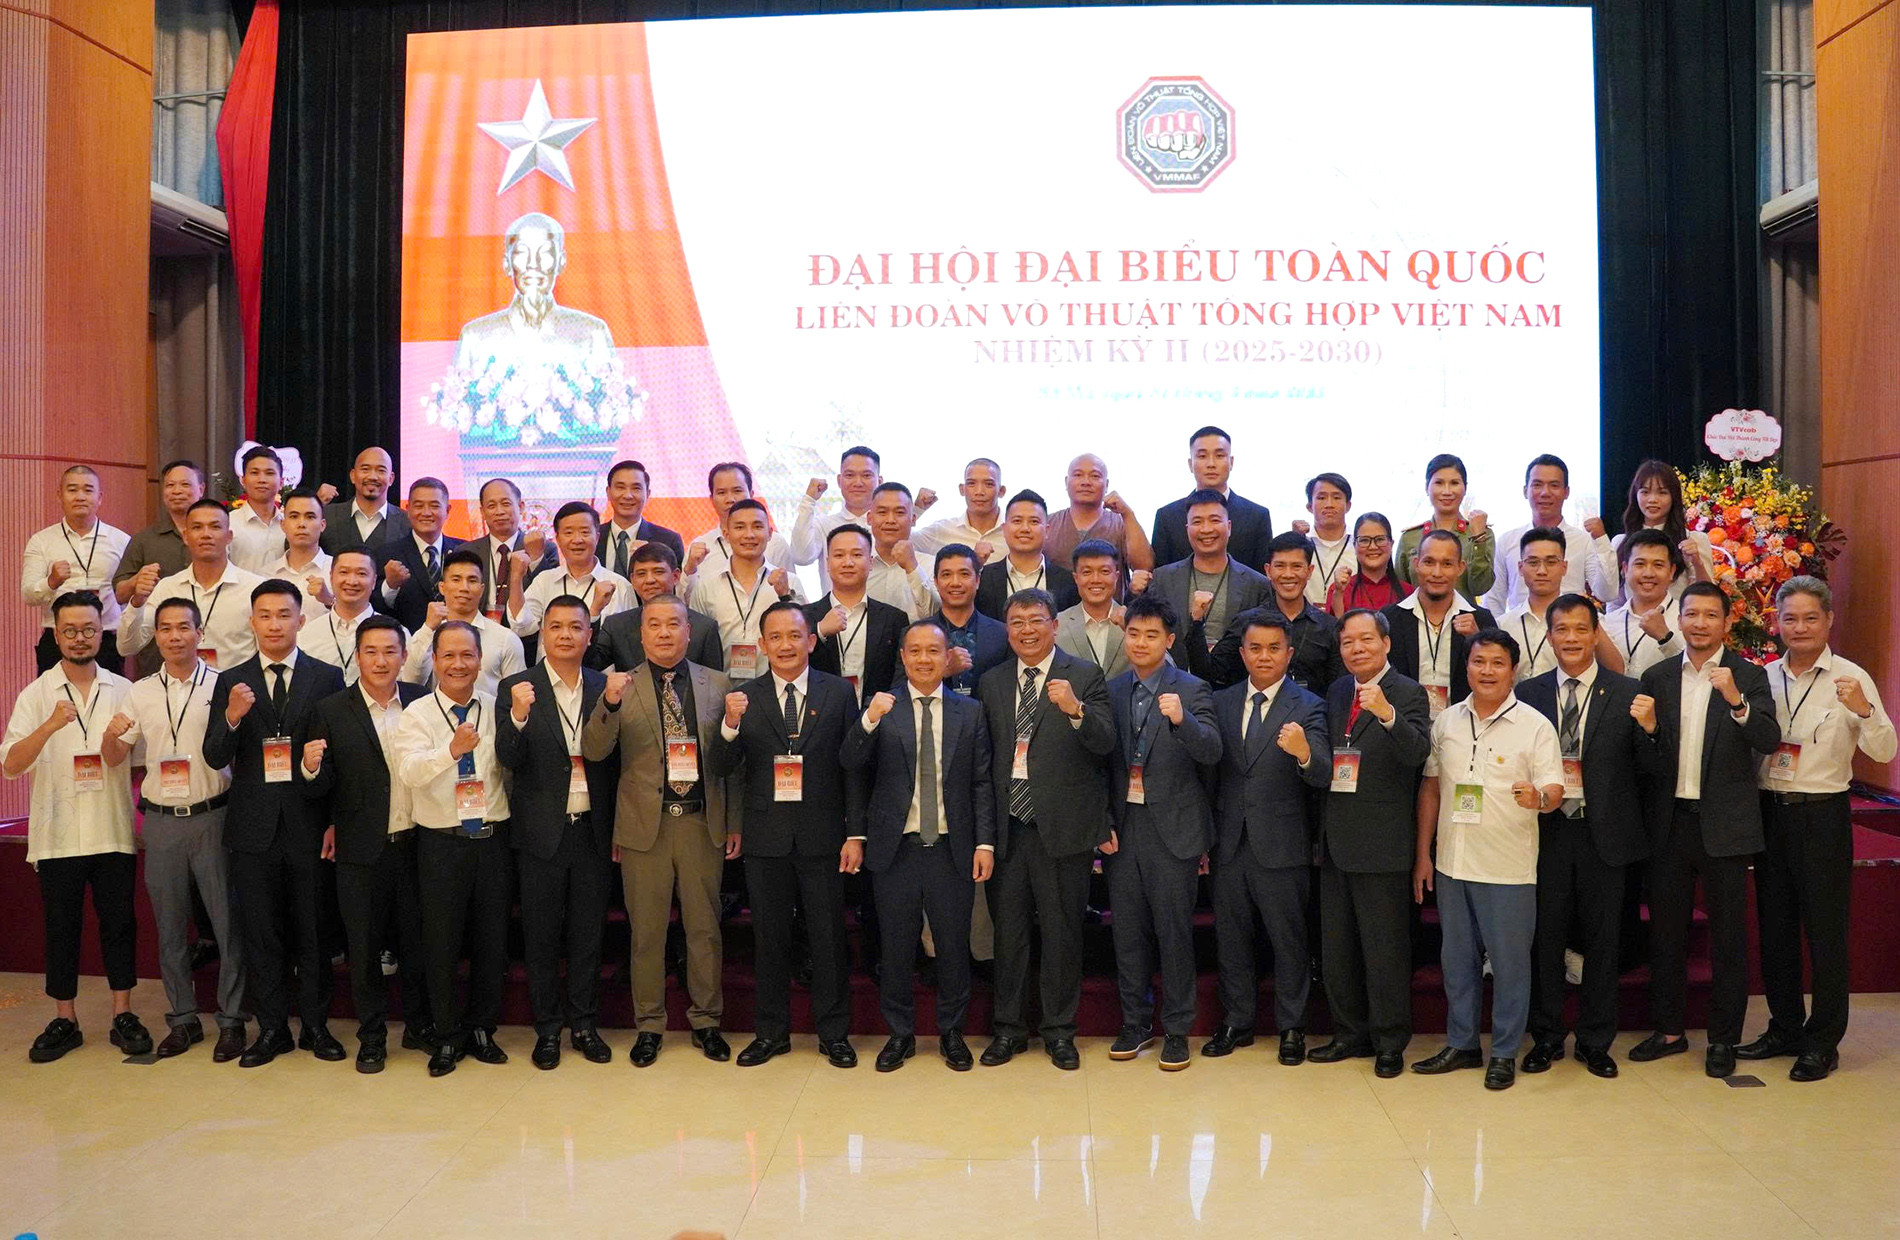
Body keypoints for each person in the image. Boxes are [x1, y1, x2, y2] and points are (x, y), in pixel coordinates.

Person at [1739, 577, 1896, 1081]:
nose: (1800, 627)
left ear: (1829, 620)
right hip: (1770, 812)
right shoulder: (1762, 676)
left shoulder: (1851, 677)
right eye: (1790, 618)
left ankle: (1823, 1041)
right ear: (1776, 623)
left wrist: (1864, 711)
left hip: (1823, 815)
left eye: (1811, 618)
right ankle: (1784, 1028)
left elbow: (1884, 751)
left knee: (1826, 932)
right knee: (1776, 929)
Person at [1628, 582, 1780, 1078]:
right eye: (1691, 614)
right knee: (1666, 935)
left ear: (1726, 622)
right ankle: (1669, 1031)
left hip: (1726, 826)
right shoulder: (1657, 676)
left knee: (1729, 939)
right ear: (1680, 619)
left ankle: (1723, 1038)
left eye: (1710, 615)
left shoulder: (1748, 676)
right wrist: (1651, 731)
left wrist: (1736, 701)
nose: (1699, 623)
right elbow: (1644, 760)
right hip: (1669, 824)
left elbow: (1768, 738)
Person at [582, 596, 738, 1067]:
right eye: (655, 625)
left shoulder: (718, 683)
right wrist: (609, 703)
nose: (665, 633)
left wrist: (734, 822)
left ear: (689, 631)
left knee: (704, 930)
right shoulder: (619, 685)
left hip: (700, 822)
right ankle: (649, 1025)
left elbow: (733, 765)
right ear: (642, 634)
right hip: (643, 827)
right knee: (646, 933)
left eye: (674, 624)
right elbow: (595, 751)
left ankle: (706, 1021)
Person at [709, 601, 864, 1068]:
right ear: (761, 645)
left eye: (795, 635)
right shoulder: (743, 696)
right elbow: (722, 767)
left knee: (828, 938)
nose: (785, 645)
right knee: (769, 939)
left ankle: (834, 1034)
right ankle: (771, 1033)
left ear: (812, 641)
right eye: (774, 637)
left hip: (823, 834)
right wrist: (729, 726)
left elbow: (853, 768)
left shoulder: (838, 693)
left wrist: (855, 833)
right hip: (766, 836)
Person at [202, 579, 347, 1067]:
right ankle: (271, 1030)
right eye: (264, 615)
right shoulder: (231, 680)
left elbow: (338, 759)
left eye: (284, 615)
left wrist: (334, 821)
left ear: (301, 620)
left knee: (313, 931)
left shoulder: (326, 677)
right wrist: (233, 717)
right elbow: (214, 754)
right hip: (252, 829)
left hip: (309, 824)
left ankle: (316, 1027)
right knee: (262, 934)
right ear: (252, 622)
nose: (274, 624)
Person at [1411, 629, 1564, 1091]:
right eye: (1479, 662)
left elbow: (1555, 789)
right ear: (1467, 667)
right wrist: (1423, 854)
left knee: (1510, 965)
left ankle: (1503, 1052)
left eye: (1498, 663)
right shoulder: (1447, 722)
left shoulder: (1535, 725)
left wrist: (1539, 799)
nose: (1487, 671)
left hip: (1508, 868)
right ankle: (1462, 1044)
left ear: (1513, 670)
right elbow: (1432, 788)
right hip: (1453, 863)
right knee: (1457, 963)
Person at [2, 590, 150, 1063]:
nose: (80, 638)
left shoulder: (124, 690)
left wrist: (111, 740)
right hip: (58, 833)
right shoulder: (36, 693)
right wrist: (48, 725)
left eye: (88, 629)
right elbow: (11, 765)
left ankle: (123, 1013)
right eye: (70, 630)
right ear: (56, 635)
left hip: (111, 829)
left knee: (120, 924)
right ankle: (65, 1019)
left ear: (101, 633)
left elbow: (126, 760)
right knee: (61, 927)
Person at [842, 619, 996, 1071]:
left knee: (953, 946)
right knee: (895, 947)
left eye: (933, 651)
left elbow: (982, 782)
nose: (924, 659)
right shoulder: (882, 707)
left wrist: (984, 843)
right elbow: (850, 762)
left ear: (947, 658)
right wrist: (869, 719)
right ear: (903, 657)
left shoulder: (971, 711)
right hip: (896, 848)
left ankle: (952, 1032)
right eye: (915, 651)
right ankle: (900, 1034)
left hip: (952, 846)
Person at [1516, 594, 1655, 1079]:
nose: (1571, 638)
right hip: (1546, 833)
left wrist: (1651, 729)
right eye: (1562, 629)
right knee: (1545, 939)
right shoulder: (1528, 693)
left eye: (1581, 629)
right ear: (1549, 636)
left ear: (1596, 635)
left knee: (1603, 941)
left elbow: (1650, 768)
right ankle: (1546, 1037)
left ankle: (1596, 1041)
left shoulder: (1628, 692)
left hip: (1606, 836)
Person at [977, 588, 1115, 1070]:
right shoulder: (992, 681)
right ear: (1007, 630)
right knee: (1009, 936)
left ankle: (1059, 1031)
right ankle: (1008, 1030)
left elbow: (1105, 744)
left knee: (1062, 933)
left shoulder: (1085, 675)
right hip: (1008, 829)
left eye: (1037, 620)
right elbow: (984, 760)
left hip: (1063, 829)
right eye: (1017, 622)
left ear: (1055, 626)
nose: (1027, 630)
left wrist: (1077, 710)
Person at [298, 615, 432, 1071]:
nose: (380, 660)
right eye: (371, 652)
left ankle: (418, 1026)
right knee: (364, 947)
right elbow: (321, 788)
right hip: (359, 847)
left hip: (417, 841)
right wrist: (310, 768)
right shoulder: (332, 709)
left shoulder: (421, 701)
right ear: (357, 657)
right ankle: (372, 1036)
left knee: (417, 943)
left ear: (404, 656)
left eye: (390, 651)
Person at [121, 597, 248, 1061]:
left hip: (214, 815)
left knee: (227, 924)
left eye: (184, 627)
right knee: (171, 926)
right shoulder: (139, 692)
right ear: (156, 636)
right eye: (166, 628)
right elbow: (116, 755)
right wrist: (111, 737)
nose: (175, 636)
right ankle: (183, 1019)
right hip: (161, 821)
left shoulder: (224, 685)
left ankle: (232, 1020)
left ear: (200, 633)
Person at [496, 597, 619, 1070]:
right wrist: (518, 717)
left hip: (592, 831)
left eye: (575, 627)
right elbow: (507, 757)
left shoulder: (604, 686)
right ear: (543, 634)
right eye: (556, 627)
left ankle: (585, 1025)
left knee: (588, 935)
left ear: (590, 635)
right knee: (541, 937)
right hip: (540, 834)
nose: (566, 635)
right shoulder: (516, 686)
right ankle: (547, 1030)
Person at [1309, 609, 1432, 1078]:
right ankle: (1349, 1033)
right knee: (1338, 949)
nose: (1356, 649)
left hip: (1383, 842)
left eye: (1366, 639)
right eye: (1347, 642)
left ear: (1386, 643)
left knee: (1385, 951)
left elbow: (1417, 753)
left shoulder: (1408, 692)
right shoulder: (1338, 690)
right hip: (1337, 838)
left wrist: (1387, 714)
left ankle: (1389, 1041)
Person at [1205, 613, 1332, 1064]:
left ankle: (1292, 1026)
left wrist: (1304, 753)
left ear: (1289, 653)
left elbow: (1322, 772)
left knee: (1288, 939)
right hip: (1229, 841)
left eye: (1274, 648)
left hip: (1282, 843)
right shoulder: (1219, 701)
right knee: (1231, 937)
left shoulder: (1309, 705)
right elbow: (1210, 774)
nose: (1264, 657)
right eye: (1255, 648)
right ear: (1242, 654)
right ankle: (1237, 1021)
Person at [1103, 594, 1221, 1072]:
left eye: (1152, 635)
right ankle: (1135, 1022)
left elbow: (1211, 751)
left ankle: (1177, 1029)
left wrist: (1181, 719)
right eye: (1133, 633)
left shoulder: (1192, 689)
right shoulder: (1112, 689)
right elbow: (1099, 765)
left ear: (1169, 640)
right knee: (1127, 932)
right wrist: (1102, 822)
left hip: (1173, 830)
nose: (1141, 643)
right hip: (1123, 829)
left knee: (1174, 933)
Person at [394, 622, 512, 1076]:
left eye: (467, 655)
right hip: (440, 844)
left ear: (480, 660)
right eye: (448, 656)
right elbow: (409, 771)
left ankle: (482, 1029)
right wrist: (451, 750)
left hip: (492, 840)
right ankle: (445, 1034)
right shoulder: (418, 713)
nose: (458, 664)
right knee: (440, 942)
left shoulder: (497, 707)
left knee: (491, 941)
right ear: (434, 661)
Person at [117, 499, 265, 670]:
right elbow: (127, 647)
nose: (206, 534)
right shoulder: (167, 588)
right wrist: (137, 603)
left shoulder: (255, 589)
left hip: (236, 685)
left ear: (229, 536)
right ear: (186, 536)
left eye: (215, 527)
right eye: (197, 527)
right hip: (181, 685)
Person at [1198, 531, 1344, 692]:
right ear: (1268, 571)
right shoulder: (1246, 622)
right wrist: (1196, 622)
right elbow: (1211, 672)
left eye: (1296, 566)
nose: (1288, 574)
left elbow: (1338, 688)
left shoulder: (1329, 627)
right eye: (1280, 566)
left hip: (1312, 707)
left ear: (1309, 571)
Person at [23, 465, 129, 674]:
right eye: (72, 490)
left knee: (110, 695)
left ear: (99, 497)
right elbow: (28, 595)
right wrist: (51, 582)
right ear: (59, 495)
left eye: (88, 490)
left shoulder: (121, 540)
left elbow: (127, 596)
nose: (80, 497)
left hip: (106, 640)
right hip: (58, 639)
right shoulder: (41, 541)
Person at [1481, 453, 1616, 613]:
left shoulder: (1583, 541)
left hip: (1569, 625)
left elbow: (1607, 593)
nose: (1545, 493)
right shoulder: (1507, 541)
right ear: (1525, 491)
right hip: (1520, 627)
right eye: (1537, 485)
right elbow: (1493, 600)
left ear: (1566, 492)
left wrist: (1601, 540)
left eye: (1554, 485)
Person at [1142, 489, 1271, 655]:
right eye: (1197, 522)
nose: (1206, 529)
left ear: (1229, 527)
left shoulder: (1257, 584)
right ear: (1187, 529)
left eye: (1214, 520)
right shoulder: (1163, 579)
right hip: (1177, 670)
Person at [1382, 529, 1494, 717]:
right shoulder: (1390, 619)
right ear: (1416, 564)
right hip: (1403, 724)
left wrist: (1477, 640)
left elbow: (1495, 677)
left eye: (1447, 564)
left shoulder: (1481, 620)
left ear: (1460, 568)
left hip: (1464, 724)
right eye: (1429, 562)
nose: (1437, 573)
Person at [691, 498, 802, 681]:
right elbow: (696, 642)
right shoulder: (706, 586)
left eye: (757, 527)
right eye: (740, 527)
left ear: (770, 533)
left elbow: (802, 636)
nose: (749, 534)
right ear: (726, 534)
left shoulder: (790, 582)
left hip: (774, 689)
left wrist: (784, 595)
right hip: (720, 688)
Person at [1498, 527, 1622, 682]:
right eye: (1533, 562)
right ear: (1520, 568)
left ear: (1564, 567)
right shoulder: (1504, 624)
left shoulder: (1588, 618)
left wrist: (1589, 617)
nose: (1542, 571)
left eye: (1551, 562)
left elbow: (1617, 670)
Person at [804, 524, 906, 703]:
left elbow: (901, 677)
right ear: (827, 563)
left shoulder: (894, 619)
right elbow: (790, 663)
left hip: (878, 714)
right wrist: (819, 631)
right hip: (818, 715)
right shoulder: (803, 617)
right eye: (839, 555)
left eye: (857, 555)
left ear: (871, 562)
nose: (848, 563)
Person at [403, 549, 528, 695]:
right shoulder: (427, 634)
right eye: (456, 580)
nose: (464, 588)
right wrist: (428, 629)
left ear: (481, 589)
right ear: (442, 587)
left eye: (472, 580)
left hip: (490, 710)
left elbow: (518, 695)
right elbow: (411, 681)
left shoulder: (505, 639)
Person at [1150, 426, 1273, 570]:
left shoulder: (1257, 516)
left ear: (1231, 462)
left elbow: (1264, 576)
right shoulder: (1167, 516)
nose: (1211, 464)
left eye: (1219, 456)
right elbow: (1160, 575)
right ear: (1190, 464)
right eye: (1202, 456)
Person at [508, 500, 632, 642]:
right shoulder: (544, 581)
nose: (577, 540)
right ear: (558, 539)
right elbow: (521, 626)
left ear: (597, 537)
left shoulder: (620, 586)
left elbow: (629, 643)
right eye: (568, 532)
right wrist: (516, 578)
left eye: (585, 532)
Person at [593, 541, 725, 672]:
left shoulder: (705, 628)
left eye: (658, 572)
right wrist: (594, 611)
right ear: (632, 580)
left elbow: (714, 680)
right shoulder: (616, 626)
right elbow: (590, 665)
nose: (650, 580)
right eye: (641, 574)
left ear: (675, 576)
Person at [114, 460, 205, 628]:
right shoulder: (144, 539)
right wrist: (136, 581)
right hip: (158, 635)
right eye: (170, 485)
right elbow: (120, 595)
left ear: (201, 489)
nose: (177, 491)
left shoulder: (216, 536)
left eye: (185, 484)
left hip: (210, 629)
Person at [1395, 452, 1494, 598]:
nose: (1447, 491)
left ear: (1465, 488)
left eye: (1454, 483)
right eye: (1439, 483)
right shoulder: (1410, 537)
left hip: (1464, 613)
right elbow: (1400, 591)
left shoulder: (1480, 532)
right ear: (1427, 487)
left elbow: (1480, 588)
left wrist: (1478, 539)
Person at [785, 445, 883, 592]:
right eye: (850, 475)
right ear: (839, 480)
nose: (858, 482)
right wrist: (809, 500)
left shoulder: (889, 527)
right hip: (834, 607)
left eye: (866, 475)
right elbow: (801, 556)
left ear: (879, 481)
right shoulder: (824, 525)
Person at [1613, 458, 1714, 600]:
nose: (1652, 499)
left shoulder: (1693, 540)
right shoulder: (1620, 543)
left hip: (1677, 614)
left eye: (1662, 493)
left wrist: (1696, 562)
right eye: (1645, 492)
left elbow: (1709, 595)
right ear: (1635, 495)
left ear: (1674, 497)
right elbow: (1615, 601)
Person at [373, 477, 464, 633]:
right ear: (408, 510)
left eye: (434, 506)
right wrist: (390, 585)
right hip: (408, 642)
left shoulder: (464, 550)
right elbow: (375, 607)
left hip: (458, 640)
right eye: (419, 506)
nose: (426, 513)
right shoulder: (386, 554)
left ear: (447, 510)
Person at [681, 462, 796, 584]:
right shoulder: (699, 548)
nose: (730, 499)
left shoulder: (775, 543)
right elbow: (684, 596)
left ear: (751, 494)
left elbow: (791, 589)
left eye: (737, 491)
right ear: (712, 499)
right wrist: (690, 568)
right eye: (721, 493)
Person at [1044, 453, 1155, 579]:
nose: (1086, 482)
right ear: (1066, 482)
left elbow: (1144, 568)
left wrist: (1128, 514)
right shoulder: (1048, 524)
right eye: (1078, 475)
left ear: (1106, 485)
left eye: (1095, 476)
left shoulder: (1121, 524)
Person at [976, 491, 1080, 619]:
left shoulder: (1068, 582)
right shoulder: (983, 579)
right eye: (1017, 521)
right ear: (1004, 529)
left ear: (1047, 530)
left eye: (1034, 522)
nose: (1025, 528)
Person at [1602, 530, 1686, 678]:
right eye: (1640, 564)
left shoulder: (1687, 619)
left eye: (1658, 565)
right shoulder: (1608, 623)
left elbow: (1696, 671)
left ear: (1672, 571)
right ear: (1625, 569)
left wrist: (1666, 638)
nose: (1648, 574)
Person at [471, 476, 555, 620]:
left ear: (521, 506)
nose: (499, 511)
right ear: (482, 512)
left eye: (506, 504)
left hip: (526, 631)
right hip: (478, 631)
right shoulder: (467, 552)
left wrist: (536, 559)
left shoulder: (545, 549)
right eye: (491, 506)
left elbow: (550, 595)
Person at [931, 544, 1009, 697]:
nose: (955, 583)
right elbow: (901, 691)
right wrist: (943, 672)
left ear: (978, 580)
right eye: (946, 575)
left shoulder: (1003, 634)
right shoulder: (915, 634)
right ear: (936, 581)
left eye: (964, 574)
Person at [297, 548, 382, 685]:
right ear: (331, 577)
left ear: (374, 581)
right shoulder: (306, 636)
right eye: (344, 572)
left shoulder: (395, 634)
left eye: (361, 573)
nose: (352, 581)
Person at [1055, 538, 1130, 679]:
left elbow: (1165, 667)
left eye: (1104, 571)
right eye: (1087, 572)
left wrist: (1131, 631)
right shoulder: (1057, 624)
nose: (1096, 579)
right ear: (1076, 578)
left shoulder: (1134, 620)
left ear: (1116, 576)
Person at [863, 482, 939, 619]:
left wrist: (912, 567)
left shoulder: (931, 565)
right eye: (882, 512)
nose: (890, 520)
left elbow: (936, 614)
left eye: (899, 512)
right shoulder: (859, 564)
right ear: (869, 518)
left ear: (913, 519)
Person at [911, 457, 1007, 565]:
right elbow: (899, 544)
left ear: (1001, 491)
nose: (979, 491)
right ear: (962, 489)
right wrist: (917, 509)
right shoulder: (943, 530)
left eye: (989, 484)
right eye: (971, 483)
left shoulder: (1013, 532)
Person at [597, 458, 685, 574]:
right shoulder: (593, 538)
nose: (627, 495)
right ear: (608, 492)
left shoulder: (668, 540)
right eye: (620, 487)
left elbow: (677, 583)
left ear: (647, 494)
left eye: (636, 488)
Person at [320, 447, 411, 555]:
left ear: (391, 479)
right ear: (353, 476)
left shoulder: (408, 522)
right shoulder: (327, 515)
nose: (372, 477)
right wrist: (316, 502)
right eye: (365, 469)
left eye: (381, 470)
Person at [1326, 512, 1413, 617]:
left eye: (1380, 539)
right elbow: (1334, 625)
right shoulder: (1340, 590)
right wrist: (1338, 594)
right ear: (1354, 546)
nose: (1372, 547)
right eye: (1364, 540)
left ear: (1391, 544)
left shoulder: (1409, 592)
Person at [262, 489, 333, 613]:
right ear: (283, 525)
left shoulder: (338, 571)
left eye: (310, 517)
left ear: (322, 525)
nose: (301, 524)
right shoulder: (265, 575)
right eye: (294, 516)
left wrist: (329, 600)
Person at [1292, 473, 1356, 607]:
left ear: (1348, 505)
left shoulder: (1359, 545)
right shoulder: (1299, 543)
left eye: (1336, 498)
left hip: (1349, 617)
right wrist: (1294, 540)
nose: (1329, 504)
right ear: (1310, 506)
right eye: (1321, 498)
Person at [229, 445, 288, 573]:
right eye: (254, 473)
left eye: (269, 473)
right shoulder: (228, 523)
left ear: (281, 482)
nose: (262, 480)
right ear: (243, 480)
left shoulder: (290, 525)